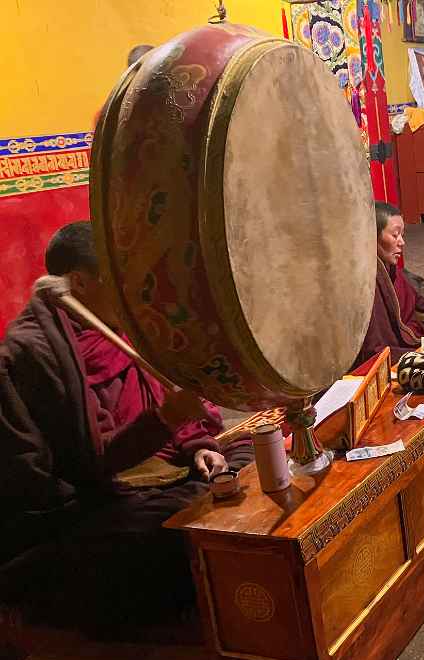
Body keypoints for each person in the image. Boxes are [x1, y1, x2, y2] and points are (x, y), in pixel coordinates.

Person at [0, 222, 246, 635]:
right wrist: (167, 419)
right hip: (98, 499)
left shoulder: (114, 323)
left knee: (252, 452)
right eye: (118, 280)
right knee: (162, 531)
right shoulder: (35, 354)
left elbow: (163, 399)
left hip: (165, 472)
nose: (132, 290)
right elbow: (88, 463)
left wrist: (199, 446)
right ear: (79, 282)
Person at [353, 202, 424, 371]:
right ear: (373, 236)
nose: (402, 242)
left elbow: (420, 304)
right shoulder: (365, 283)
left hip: (410, 345)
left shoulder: (391, 269)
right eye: (395, 235)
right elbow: (374, 351)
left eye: (402, 234)